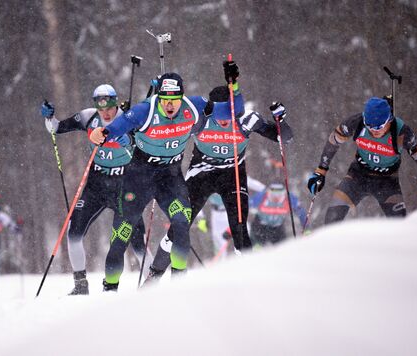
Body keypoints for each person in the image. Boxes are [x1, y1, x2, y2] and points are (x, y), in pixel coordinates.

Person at [88, 60, 243, 291]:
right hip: (139, 175)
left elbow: (234, 111)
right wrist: (101, 134)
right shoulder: (145, 110)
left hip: (170, 177)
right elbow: (117, 127)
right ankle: (110, 288)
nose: (170, 106)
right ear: (159, 97)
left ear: (182, 97)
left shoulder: (194, 106)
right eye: (165, 100)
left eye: (174, 100)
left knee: (181, 223)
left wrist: (234, 86)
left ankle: (177, 287)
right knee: (122, 233)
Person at [142, 86, 295, 283]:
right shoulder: (199, 118)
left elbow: (286, 138)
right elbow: (163, 131)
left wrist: (280, 121)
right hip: (201, 176)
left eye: (228, 114)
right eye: (219, 114)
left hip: (232, 177)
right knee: (179, 226)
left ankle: (250, 281)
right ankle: (155, 274)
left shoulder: (247, 120)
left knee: (240, 230)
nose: (223, 120)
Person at [40, 84, 148, 295]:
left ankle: (153, 283)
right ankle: (80, 285)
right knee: (73, 233)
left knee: (138, 242)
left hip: (125, 186)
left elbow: (148, 138)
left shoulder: (129, 118)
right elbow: (56, 128)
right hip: (96, 185)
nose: (106, 113)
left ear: (116, 104)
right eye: (101, 109)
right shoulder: (88, 117)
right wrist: (48, 117)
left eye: (109, 108)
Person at [307, 96, 417, 224]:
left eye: (379, 127)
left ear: (389, 119)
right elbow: (333, 141)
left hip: (387, 181)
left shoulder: (402, 132)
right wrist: (320, 171)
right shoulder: (357, 122)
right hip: (357, 176)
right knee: (331, 220)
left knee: (399, 223)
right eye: (369, 126)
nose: (374, 131)